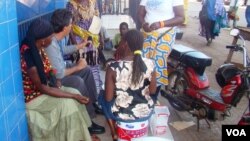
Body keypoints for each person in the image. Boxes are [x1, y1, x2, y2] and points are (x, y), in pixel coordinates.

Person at [20, 19, 100, 141]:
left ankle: (83, 134)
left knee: (76, 93)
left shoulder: (38, 46)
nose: (52, 40)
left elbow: (48, 68)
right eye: (50, 37)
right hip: (34, 98)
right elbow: (43, 88)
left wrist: (55, 79)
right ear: (42, 41)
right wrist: (72, 96)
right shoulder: (29, 59)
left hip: (45, 88)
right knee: (68, 103)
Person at [45, 9, 105, 134]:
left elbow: (63, 50)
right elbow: (59, 74)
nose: (72, 26)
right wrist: (77, 67)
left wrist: (79, 46)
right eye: (71, 24)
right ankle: (88, 121)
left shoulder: (57, 37)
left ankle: (92, 103)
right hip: (55, 80)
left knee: (87, 70)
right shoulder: (51, 43)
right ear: (65, 27)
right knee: (78, 81)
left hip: (61, 70)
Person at [99, 29, 157, 141]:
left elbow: (108, 98)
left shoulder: (113, 67)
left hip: (123, 115)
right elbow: (153, 91)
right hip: (145, 112)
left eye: (120, 42)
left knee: (102, 97)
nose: (118, 45)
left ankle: (113, 132)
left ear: (125, 44)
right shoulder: (150, 64)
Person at [138, 0, 184, 101]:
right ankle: (142, 93)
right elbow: (140, 13)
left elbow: (181, 18)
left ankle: (152, 98)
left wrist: (161, 24)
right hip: (147, 34)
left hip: (165, 34)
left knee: (156, 66)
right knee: (143, 64)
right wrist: (144, 24)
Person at [67, 0, 103, 95]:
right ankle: (85, 94)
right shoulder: (71, 4)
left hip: (92, 40)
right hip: (78, 40)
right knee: (82, 67)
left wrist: (100, 37)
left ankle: (96, 93)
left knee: (94, 66)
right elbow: (70, 27)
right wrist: (76, 46)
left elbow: (97, 21)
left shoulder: (93, 2)